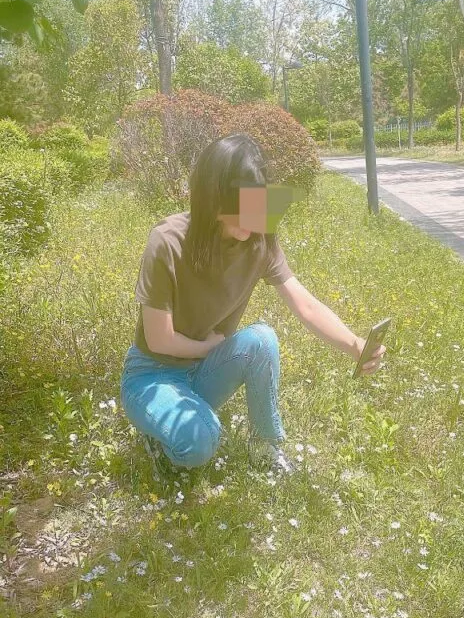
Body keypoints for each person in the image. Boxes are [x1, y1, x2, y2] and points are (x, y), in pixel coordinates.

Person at [119, 133, 386, 479]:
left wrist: (354, 344)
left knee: (262, 339)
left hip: (203, 367)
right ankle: (159, 437)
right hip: (153, 373)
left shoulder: (259, 240)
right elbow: (159, 340)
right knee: (201, 440)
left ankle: (265, 447)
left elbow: (305, 304)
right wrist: (208, 348)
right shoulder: (168, 242)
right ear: (212, 198)